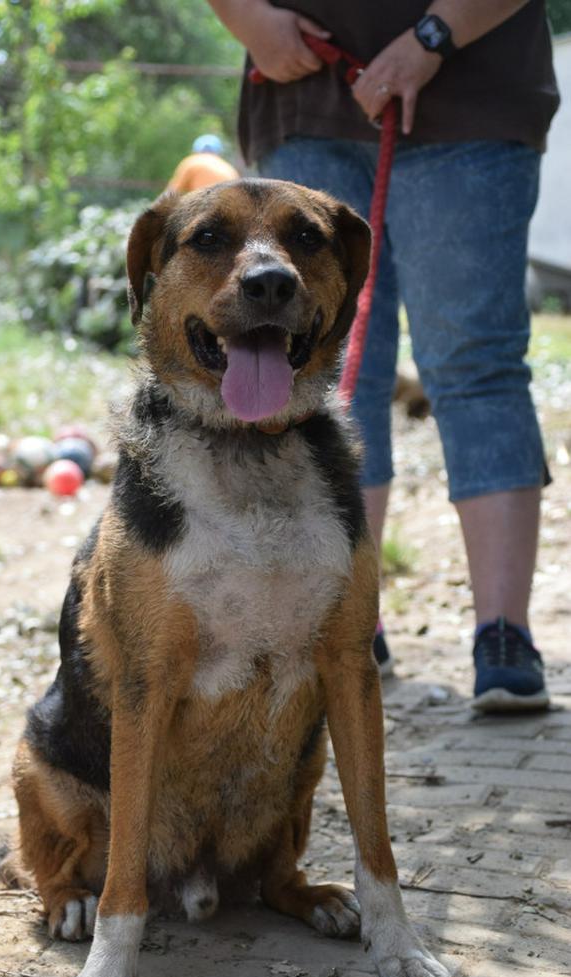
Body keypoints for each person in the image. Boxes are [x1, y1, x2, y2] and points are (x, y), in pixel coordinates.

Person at [206, 0, 559, 712]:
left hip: (471, 98)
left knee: (476, 362)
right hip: (302, 99)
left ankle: (504, 636)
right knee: (327, 370)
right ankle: (347, 624)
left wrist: (434, 37)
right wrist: (250, 20)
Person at [167, 133, 240, 193]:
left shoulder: (192, 161)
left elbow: (171, 193)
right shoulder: (230, 168)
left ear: (195, 150)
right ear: (219, 152)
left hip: (204, 204)